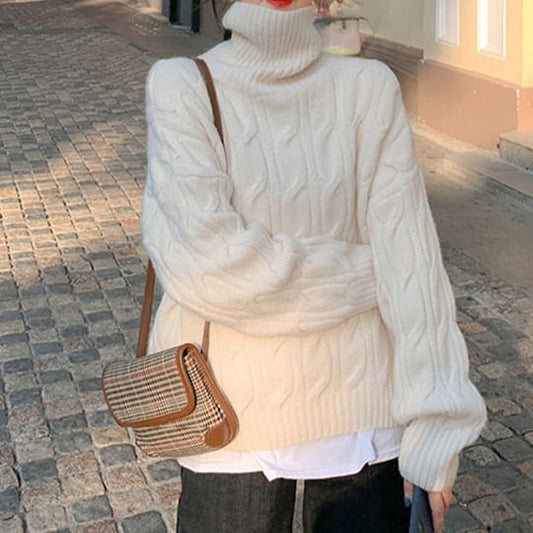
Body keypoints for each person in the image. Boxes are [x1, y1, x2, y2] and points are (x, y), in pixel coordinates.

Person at [141, 0, 487, 530]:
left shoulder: (368, 88)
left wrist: (439, 427)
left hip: (363, 422)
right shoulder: (182, 85)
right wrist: (375, 271)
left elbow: (416, 273)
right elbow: (209, 268)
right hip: (227, 424)